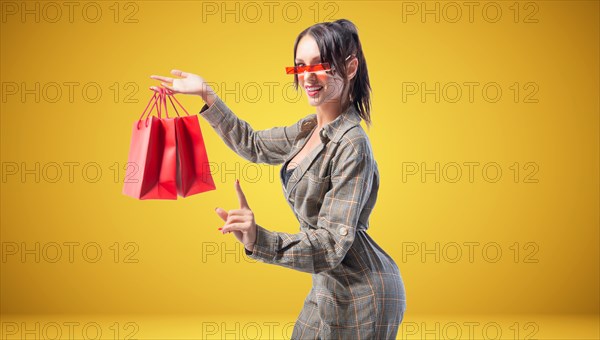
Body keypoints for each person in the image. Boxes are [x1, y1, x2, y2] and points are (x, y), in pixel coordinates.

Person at [150, 18, 406, 340]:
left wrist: (260, 240)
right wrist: (207, 95)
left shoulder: (352, 144)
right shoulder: (307, 130)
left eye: (321, 65)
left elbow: (330, 245)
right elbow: (253, 144)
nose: (307, 77)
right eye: (299, 67)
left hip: (365, 291)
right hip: (326, 284)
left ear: (350, 67)